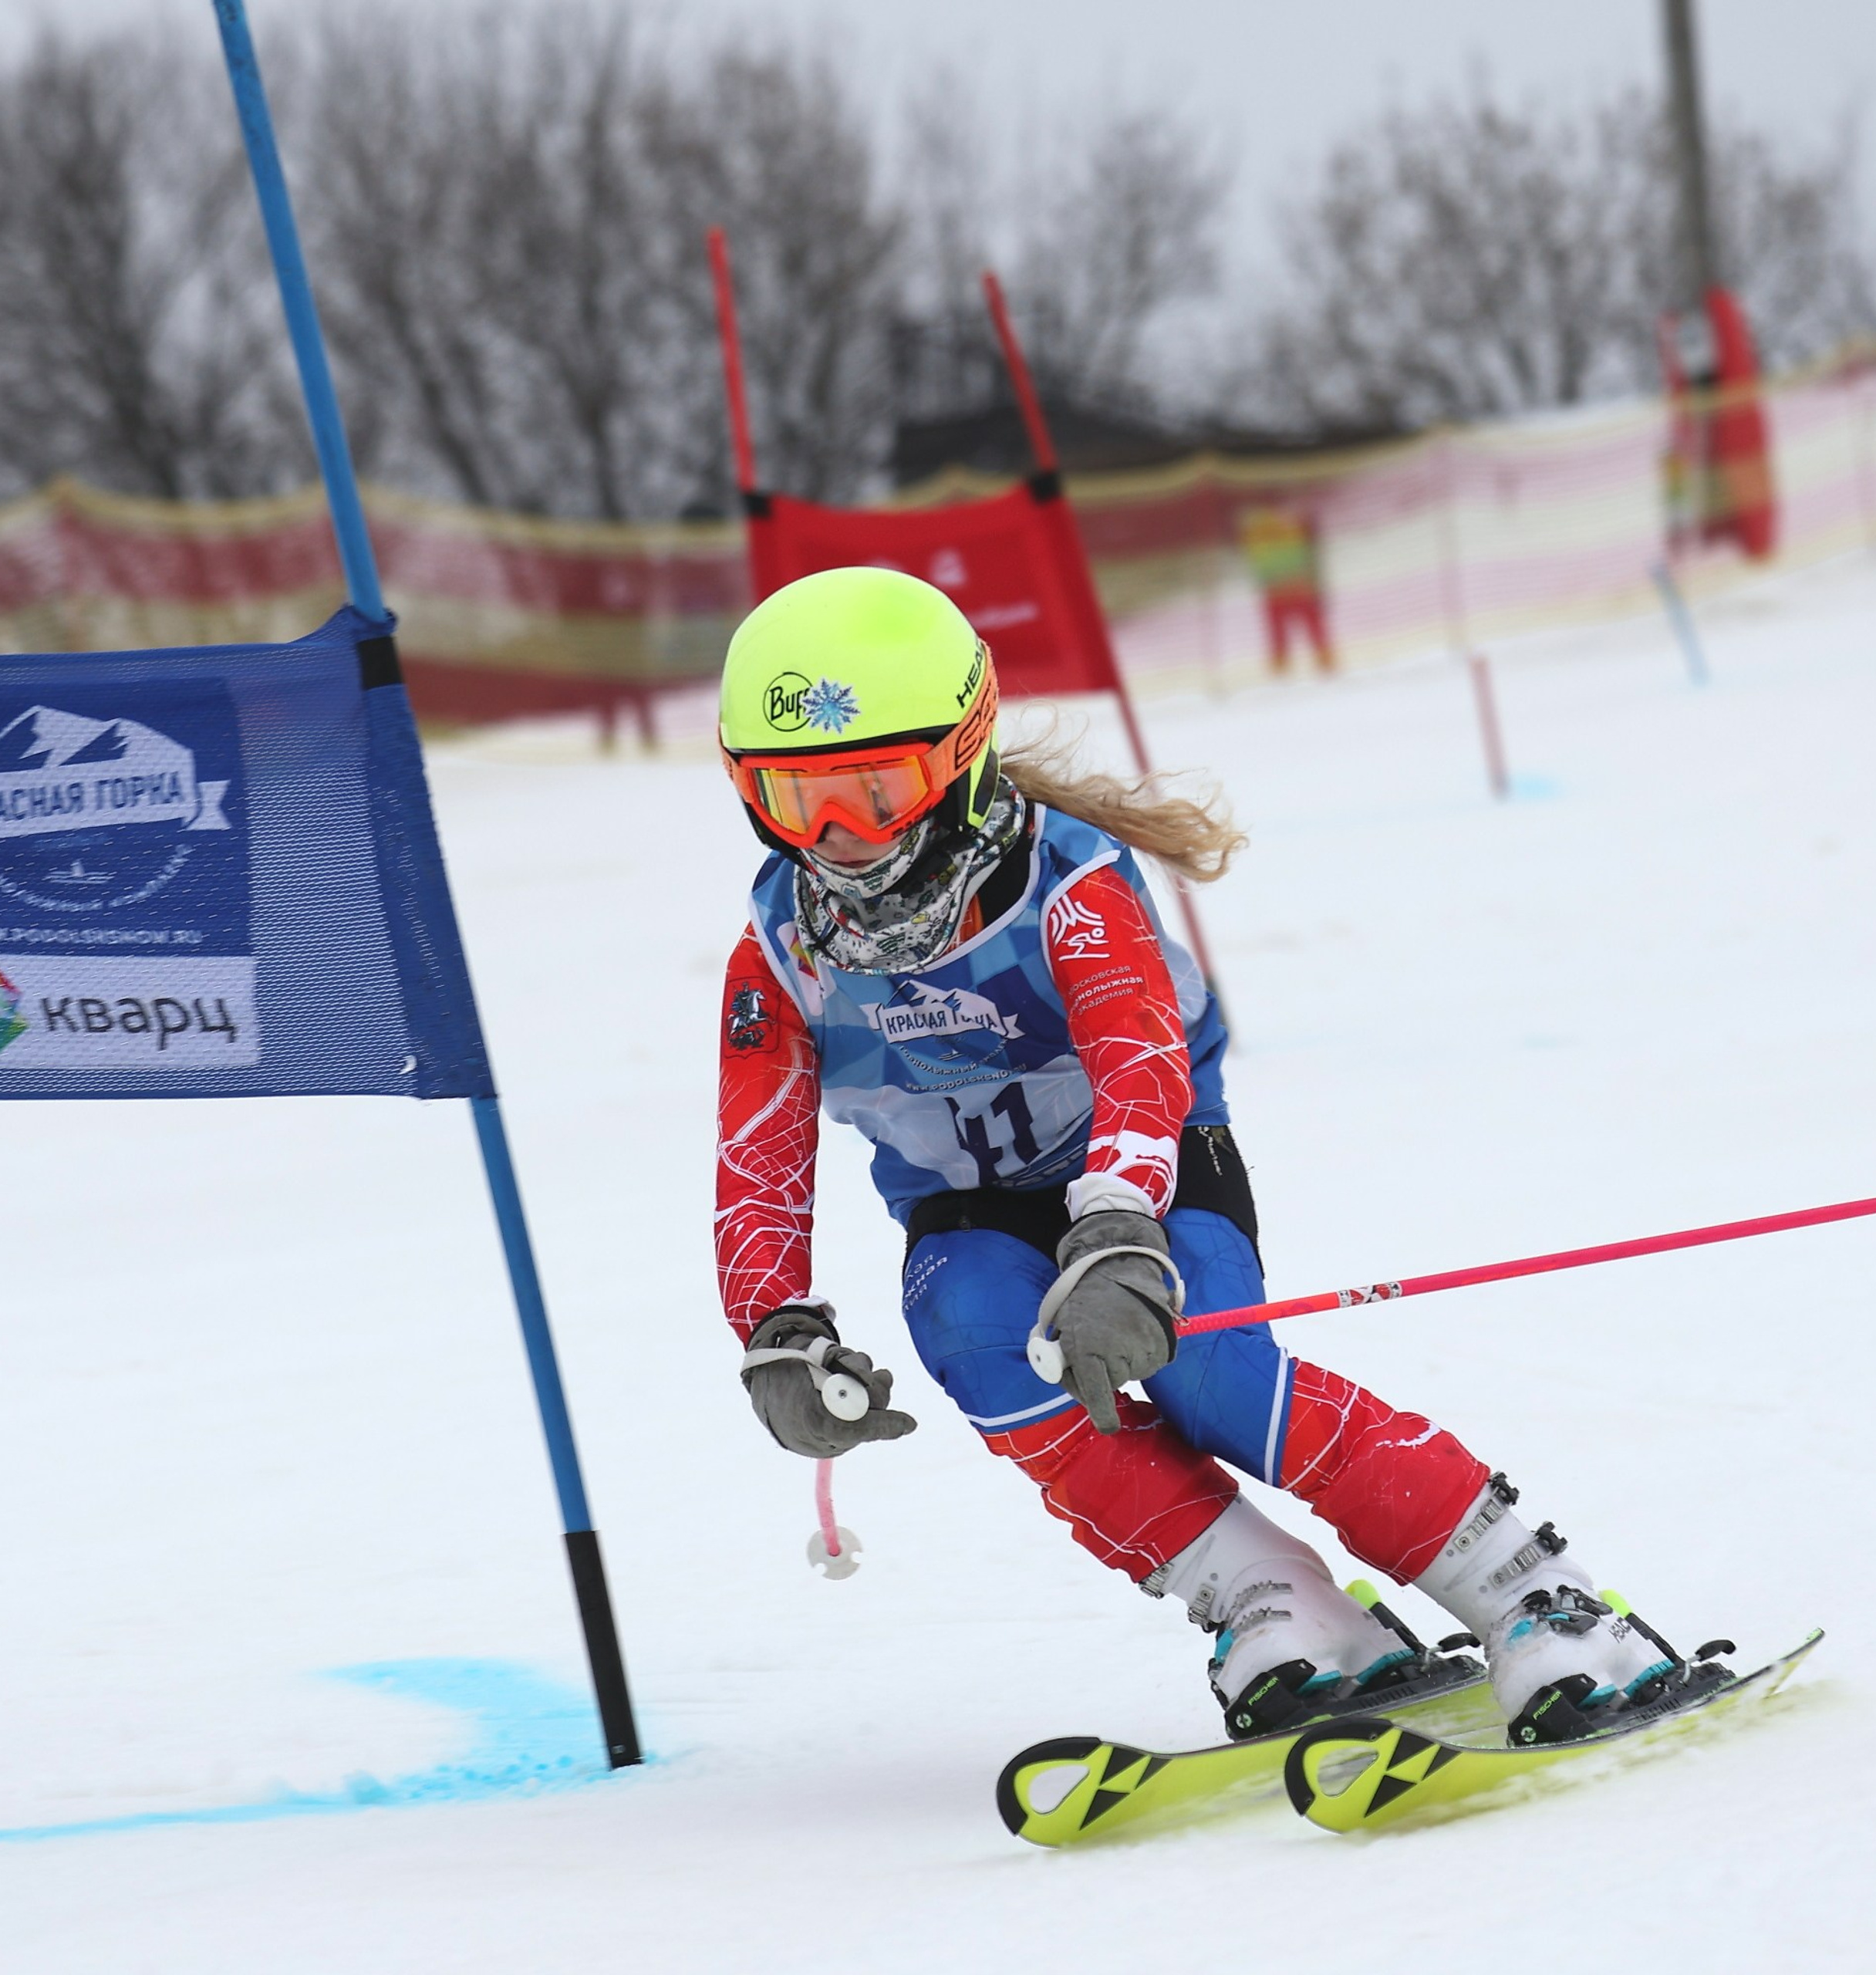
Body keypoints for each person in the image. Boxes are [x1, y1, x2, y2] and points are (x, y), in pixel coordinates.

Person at [714, 565, 1682, 1744]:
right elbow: (758, 1159)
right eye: (794, 796)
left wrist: (1116, 1224)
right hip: (967, 1212)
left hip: (1152, 1170)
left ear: (962, 757)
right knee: (972, 1332)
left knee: (1209, 1375)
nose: (839, 839)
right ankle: (1270, 1600)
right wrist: (776, 1332)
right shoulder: (781, 950)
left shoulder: (1064, 883)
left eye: (877, 789)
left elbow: (1139, 1055)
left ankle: (1536, 1595)